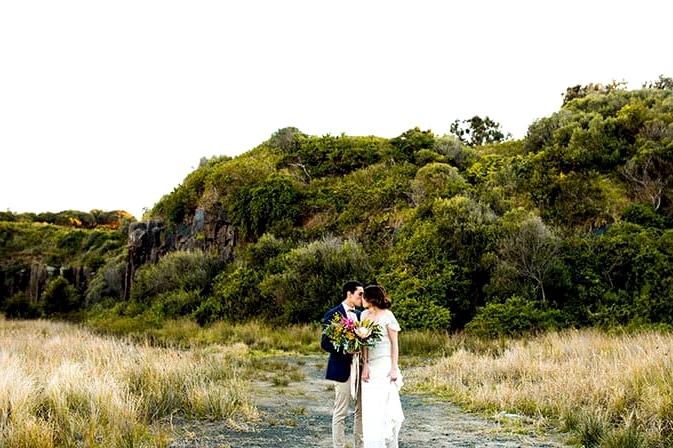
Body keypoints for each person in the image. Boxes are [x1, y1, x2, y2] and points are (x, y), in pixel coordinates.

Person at [321, 280, 365, 448]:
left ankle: (359, 445)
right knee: (341, 411)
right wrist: (345, 350)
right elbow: (325, 343)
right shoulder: (333, 314)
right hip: (342, 368)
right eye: (360, 294)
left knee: (361, 411)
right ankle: (338, 446)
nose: (362, 297)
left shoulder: (362, 315)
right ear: (349, 294)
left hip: (361, 368)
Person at [360, 284, 404, 448]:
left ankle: (388, 443)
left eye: (364, 297)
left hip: (385, 365)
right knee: (370, 409)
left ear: (370, 299)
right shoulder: (364, 315)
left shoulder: (388, 316)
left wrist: (394, 367)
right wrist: (365, 366)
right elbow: (363, 344)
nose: (362, 300)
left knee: (385, 408)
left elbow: (394, 344)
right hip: (370, 367)